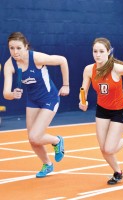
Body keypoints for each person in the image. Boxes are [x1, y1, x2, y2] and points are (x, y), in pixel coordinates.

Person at [3, 32, 69, 178]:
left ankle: (57, 141)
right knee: (32, 139)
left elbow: (62, 60)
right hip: (32, 101)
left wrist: (66, 85)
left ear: (26, 47)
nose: (15, 52)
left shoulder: (36, 58)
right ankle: (47, 164)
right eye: (11, 48)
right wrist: (12, 94)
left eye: (18, 48)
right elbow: (6, 93)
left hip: (49, 98)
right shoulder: (10, 65)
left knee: (35, 136)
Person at [79, 37, 123, 185]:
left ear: (108, 52)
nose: (97, 55)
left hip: (119, 110)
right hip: (102, 110)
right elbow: (83, 90)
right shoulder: (89, 70)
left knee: (109, 148)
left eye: (101, 51)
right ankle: (118, 172)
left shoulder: (117, 68)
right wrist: (82, 101)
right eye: (95, 51)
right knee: (103, 149)